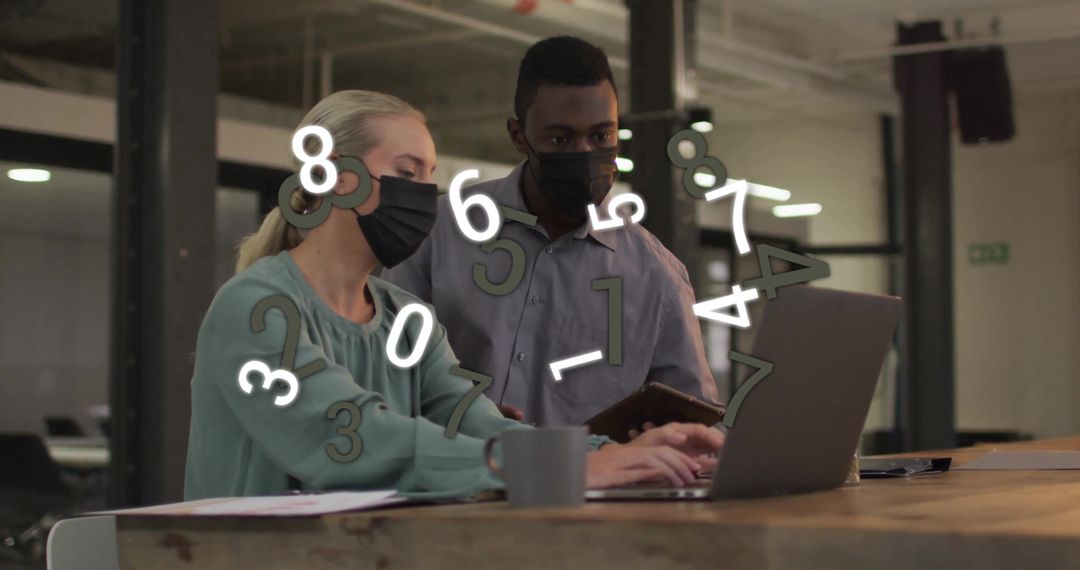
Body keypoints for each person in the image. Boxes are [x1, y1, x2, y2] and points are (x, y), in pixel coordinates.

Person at [184, 90, 725, 501]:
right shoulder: (256, 309)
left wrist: (621, 454)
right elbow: (351, 438)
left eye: (429, 175)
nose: (424, 193)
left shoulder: (406, 319)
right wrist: (565, 468)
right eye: (406, 171)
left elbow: (476, 420)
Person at [382, 37, 720, 427]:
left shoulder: (657, 277)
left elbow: (696, 429)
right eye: (560, 139)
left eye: (601, 136)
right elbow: (381, 371)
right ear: (518, 135)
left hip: (586, 469)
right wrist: (456, 419)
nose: (584, 153)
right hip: (446, 465)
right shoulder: (438, 233)